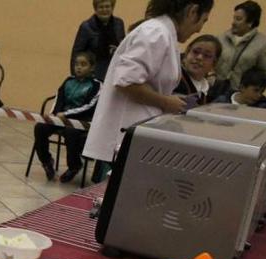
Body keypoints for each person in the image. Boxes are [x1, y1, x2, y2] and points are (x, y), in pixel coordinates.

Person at [83, 0, 214, 168]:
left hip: (142, 134)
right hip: (127, 135)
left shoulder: (165, 34)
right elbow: (126, 82)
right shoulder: (155, 33)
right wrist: (166, 102)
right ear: (192, 12)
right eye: (203, 20)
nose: (199, 29)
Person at [34, 52, 102, 183]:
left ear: (92, 67)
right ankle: (46, 161)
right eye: (76, 64)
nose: (79, 68)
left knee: (71, 132)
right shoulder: (68, 80)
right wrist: (54, 114)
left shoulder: (97, 85)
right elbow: (59, 98)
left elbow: (90, 106)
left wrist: (67, 115)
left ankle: (74, 166)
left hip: (81, 121)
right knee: (40, 127)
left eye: (83, 64)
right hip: (61, 118)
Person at [214, 1, 266, 94]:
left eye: (238, 19)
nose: (233, 22)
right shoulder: (221, 39)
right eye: (234, 18)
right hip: (216, 91)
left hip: (241, 96)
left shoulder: (263, 43)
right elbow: (210, 63)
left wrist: (252, 92)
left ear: (250, 22)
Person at [71, 0, 126, 81]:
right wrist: (75, 76)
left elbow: (123, 46)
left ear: (112, 7)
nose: (104, 10)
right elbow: (76, 52)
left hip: (115, 71)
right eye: (101, 7)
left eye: (107, 6)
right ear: (95, 9)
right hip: (93, 73)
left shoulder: (119, 24)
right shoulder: (86, 27)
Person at [174, 34, 222, 106]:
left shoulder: (205, 87)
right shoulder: (175, 78)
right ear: (187, 52)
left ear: (214, 63)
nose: (199, 57)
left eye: (206, 56)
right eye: (195, 52)